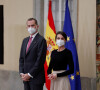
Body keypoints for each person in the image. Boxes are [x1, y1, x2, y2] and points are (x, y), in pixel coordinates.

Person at [19, 18, 47, 90]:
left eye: (32, 25)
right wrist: (22, 73)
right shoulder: (25, 40)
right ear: (26, 27)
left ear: (37, 26)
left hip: (36, 78)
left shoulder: (41, 40)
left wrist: (29, 74)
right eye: (28, 26)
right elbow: (21, 58)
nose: (30, 28)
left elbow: (40, 60)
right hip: (25, 78)